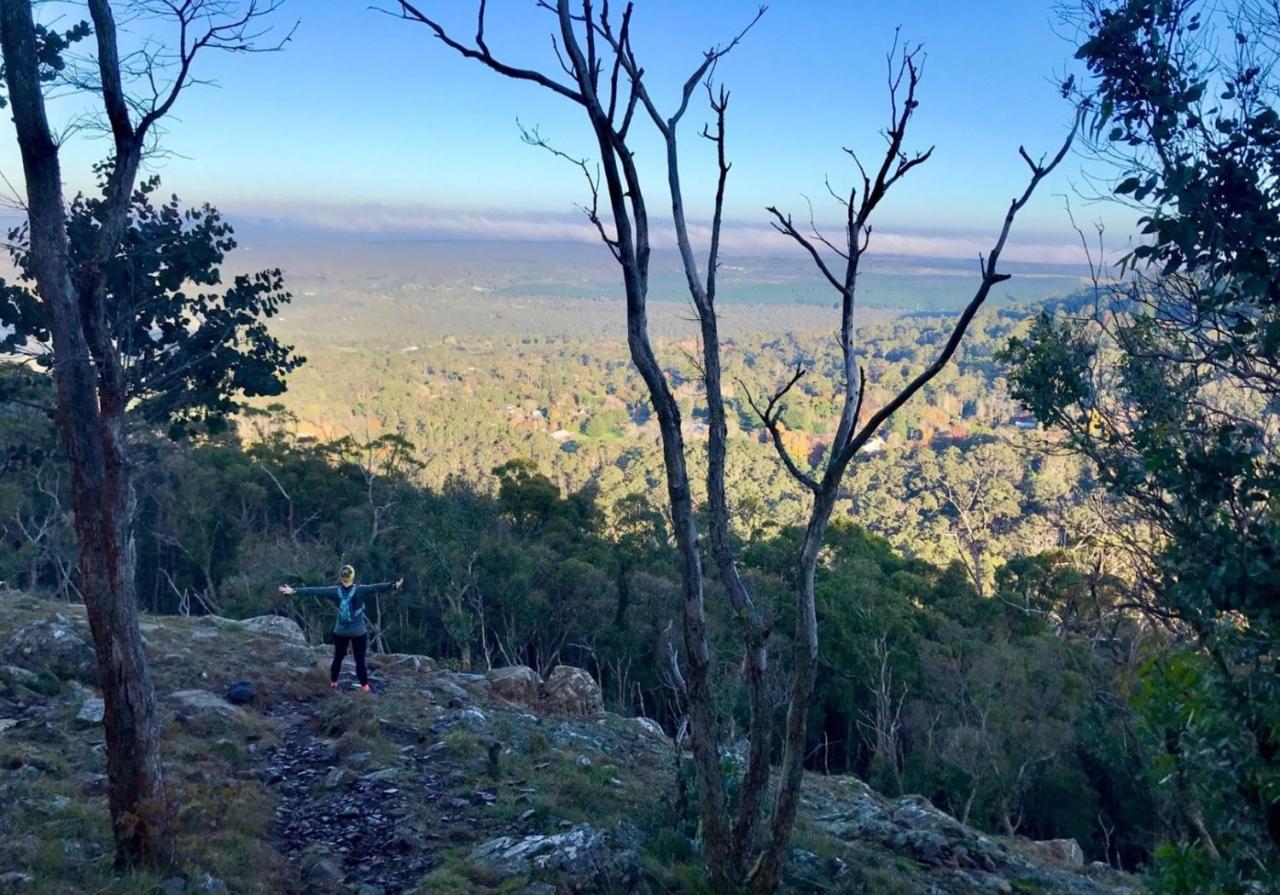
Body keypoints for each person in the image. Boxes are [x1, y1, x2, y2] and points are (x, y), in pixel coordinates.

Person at [278, 564, 403, 693]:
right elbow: (377, 587)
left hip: (340, 631)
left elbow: (316, 590)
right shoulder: (361, 590)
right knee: (359, 660)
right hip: (358, 632)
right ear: (353, 576)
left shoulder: (335, 591)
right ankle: (365, 687)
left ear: (341, 577)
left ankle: (333, 683)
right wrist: (393, 585)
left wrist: (294, 591)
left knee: (338, 657)